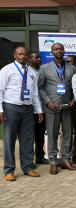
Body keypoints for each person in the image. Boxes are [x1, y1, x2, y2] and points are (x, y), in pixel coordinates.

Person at [0, 46, 43, 181]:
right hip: (10, 107)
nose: (23, 56)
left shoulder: (32, 72)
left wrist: (39, 110)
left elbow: (35, 93)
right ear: (14, 55)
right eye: (20, 54)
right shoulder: (7, 70)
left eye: (25, 54)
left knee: (28, 139)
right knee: (9, 140)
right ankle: (9, 170)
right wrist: (0, 109)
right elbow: (0, 90)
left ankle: (28, 167)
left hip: (28, 109)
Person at [38, 43, 76, 174]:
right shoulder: (44, 68)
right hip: (52, 107)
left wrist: (74, 100)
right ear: (52, 51)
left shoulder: (72, 68)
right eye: (56, 49)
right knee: (52, 134)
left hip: (68, 106)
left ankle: (65, 159)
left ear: (64, 51)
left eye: (61, 49)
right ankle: (53, 161)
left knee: (68, 134)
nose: (59, 51)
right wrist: (48, 102)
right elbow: (40, 87)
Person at [28, 51, 47, 166]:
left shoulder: (42, 71)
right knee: (30, 136)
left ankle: (40, 157)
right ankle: (29, 160)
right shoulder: (26, 71)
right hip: (29, 109)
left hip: (41, 109)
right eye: (36, 57)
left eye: (39, 57)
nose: (39, 59)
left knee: (40, 135)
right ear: (29, 59)